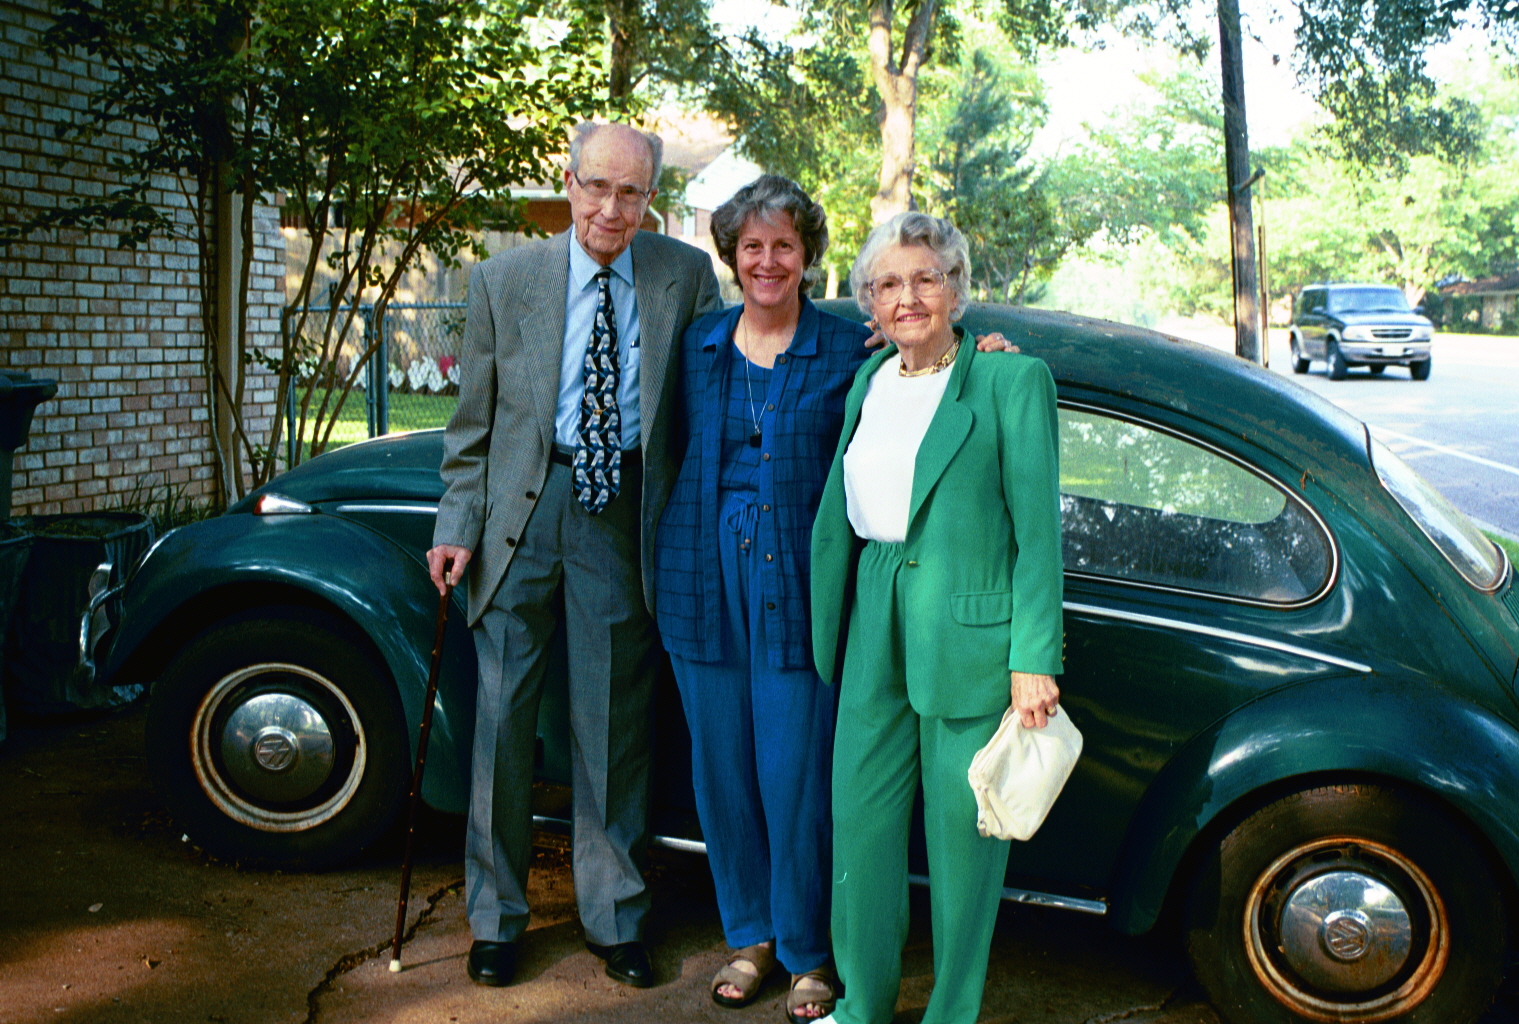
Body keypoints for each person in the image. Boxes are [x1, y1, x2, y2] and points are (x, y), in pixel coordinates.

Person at [655, 180, 1018, 1020]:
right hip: (701, 578)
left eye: (784, 245)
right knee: (722, 774)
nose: (767, 262)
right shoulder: (698, 345)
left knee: (797, 777)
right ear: (731, 256)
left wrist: (990, 350)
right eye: (752, 246)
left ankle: (806, 951)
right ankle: (747, 935)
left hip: (799, 586)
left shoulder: (849, 349)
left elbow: (931, 368)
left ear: (807, 255)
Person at [428, 121, 722, 991]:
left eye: (630, 193)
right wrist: (455, 522)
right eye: (596, 186)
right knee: (502, 720)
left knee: (612, 725)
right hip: (520, 511)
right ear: (569, 184)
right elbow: (471, 427)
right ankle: (495, 919)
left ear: (650, 199)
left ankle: (615, 915)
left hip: (621, 513)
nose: (610, 208)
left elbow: (735, 369)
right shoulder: (505, 278)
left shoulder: (684, 275)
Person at [808, 211, 1064, 1024]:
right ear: (870, 304)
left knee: (963, 846)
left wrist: (1034, 657)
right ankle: (862, 1007)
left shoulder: (1010, 380)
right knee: (860, 828)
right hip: (873, 617)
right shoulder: (868, 381)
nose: (908, 297)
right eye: (889, 284)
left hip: (970, 635)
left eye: (926, 278)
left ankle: (950, 1015)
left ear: (956, 288)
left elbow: (1037, 535)